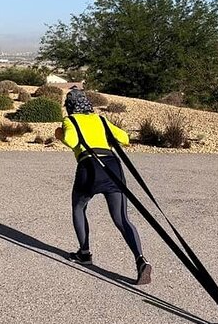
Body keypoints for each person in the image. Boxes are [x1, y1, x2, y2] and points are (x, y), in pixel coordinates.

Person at [54, 88, 152, 285]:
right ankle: (141, 260)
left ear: (70, 106)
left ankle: (84, 253)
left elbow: (72, 140)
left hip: (89, 167)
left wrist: (60, 134)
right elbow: (124, 138)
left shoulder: (70, 120)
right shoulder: (100, 119)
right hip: (112, 167)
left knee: (79, 207)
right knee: (122, 218)